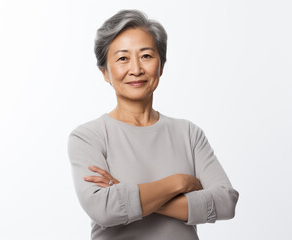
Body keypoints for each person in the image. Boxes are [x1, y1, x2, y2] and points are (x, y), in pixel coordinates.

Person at [67, 9, 239, 240]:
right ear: (105, 72)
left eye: (146, 56)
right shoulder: (88, 136)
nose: (136, 69)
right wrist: (179, 182)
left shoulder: (188, 133)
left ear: (161, 66)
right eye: (122, 58)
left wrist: (126, 189)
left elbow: (225, 202)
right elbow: (104, 209)